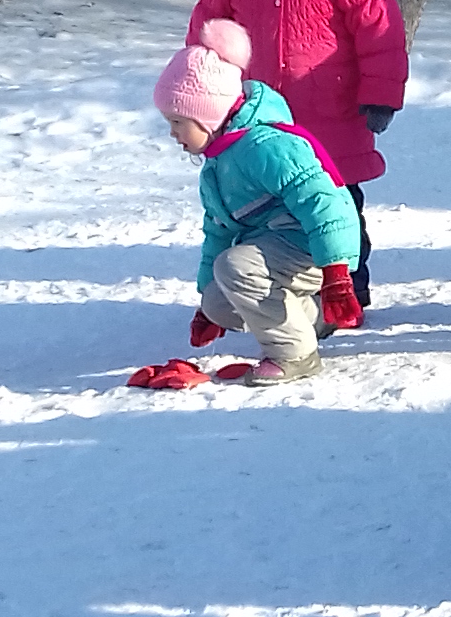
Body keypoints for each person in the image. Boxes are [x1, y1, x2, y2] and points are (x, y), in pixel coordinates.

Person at [185, 0, 409, 306]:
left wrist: (380, 93)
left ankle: (348, 285)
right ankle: (282, 286)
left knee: (334, 203)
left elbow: (379, 28)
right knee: (270, 202)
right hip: (260, 117)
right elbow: (209, 24)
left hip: (331, 111)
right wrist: (203, 90)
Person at [149, 21, 366, 386]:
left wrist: (336, 271)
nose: (172, 133)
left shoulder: (267, 146)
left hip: (314, 249)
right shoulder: (218, 164)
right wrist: (205, 306)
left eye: (177, 121)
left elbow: (326, 200)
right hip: (276, 250)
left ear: (207, 115)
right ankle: (312, 318)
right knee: (219, 300)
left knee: (236, 268)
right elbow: (217, 233)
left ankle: (296, 355)